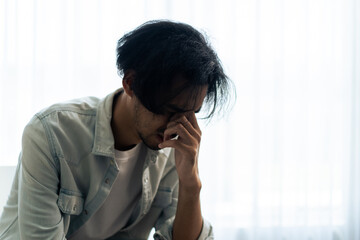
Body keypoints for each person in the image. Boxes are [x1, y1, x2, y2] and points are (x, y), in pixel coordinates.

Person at [0, 20, 231, 240]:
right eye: (169, 110)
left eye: (191, 113)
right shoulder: (50, 134)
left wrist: (191, 183)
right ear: (130, 83)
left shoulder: (172, 147)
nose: (177, 126)